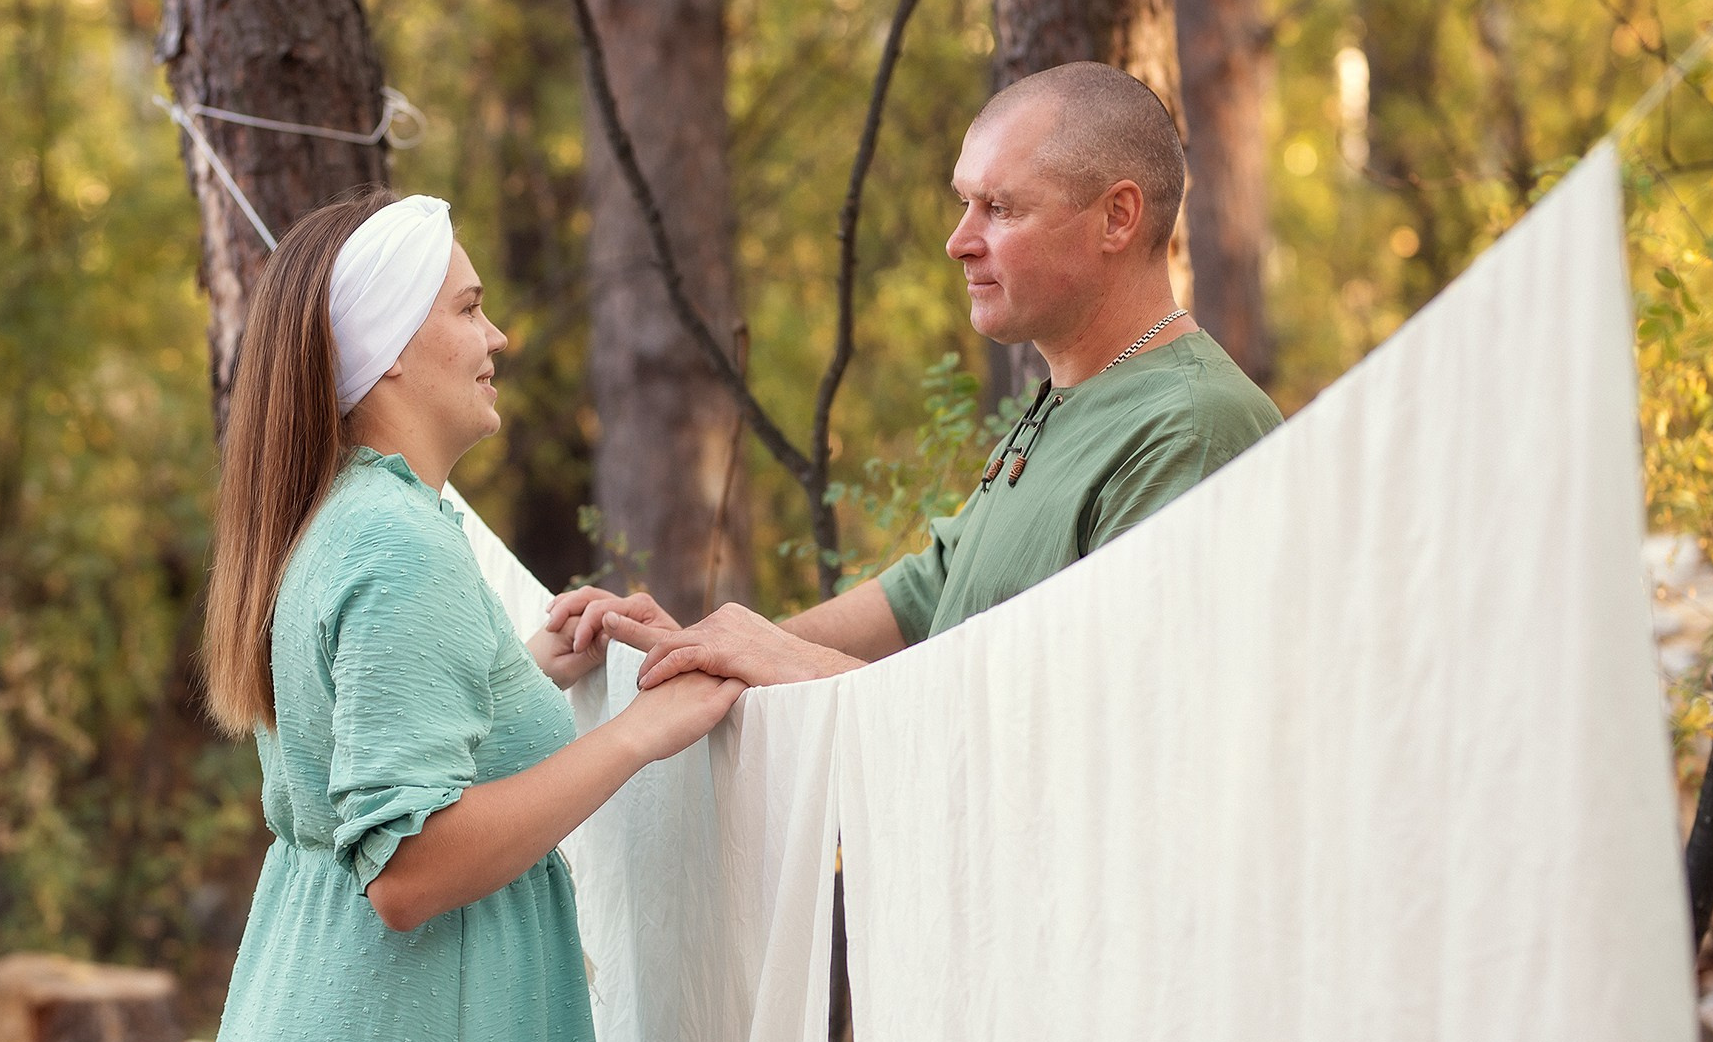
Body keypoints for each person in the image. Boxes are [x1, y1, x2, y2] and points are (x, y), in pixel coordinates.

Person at [201, 189, 738, 1042]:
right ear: (389, 354)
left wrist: (515, 680)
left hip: (330, 1030)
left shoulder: (349, 516)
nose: (494, 340)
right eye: (469, 309)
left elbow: (368, 739)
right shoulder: (398, 549)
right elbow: (409, 868)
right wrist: (638, 733)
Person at [548, 61, 1283, 686]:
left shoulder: (1190, 427)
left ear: (1117, 217)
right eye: (964, 203)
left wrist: (793, 667)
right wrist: (707, 645)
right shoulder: (1074, 395)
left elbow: (1092, 713)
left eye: (998, 207)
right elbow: (929, 593)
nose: (958, 241)